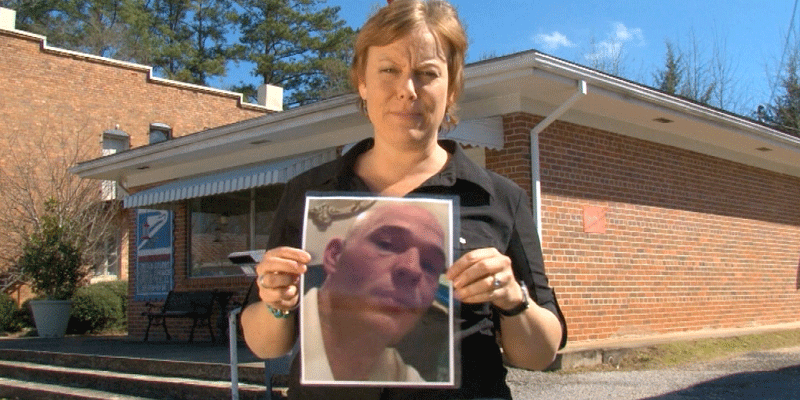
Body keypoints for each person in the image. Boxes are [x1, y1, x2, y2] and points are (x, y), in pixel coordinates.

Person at [241, 0, 567, 398]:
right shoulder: (309, 192)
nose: (407, 90)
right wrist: (276, 302)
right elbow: (266, 344)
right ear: (362, 81)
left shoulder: (501, 198)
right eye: (389, 70)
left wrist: (513, 300)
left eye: (427, 73)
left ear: (451, 87)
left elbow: (540, 354)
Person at [302, 202, 448, 383]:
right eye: (386, 245)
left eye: (429, 266)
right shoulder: (288, 334)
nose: (412, 269)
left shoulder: (405, 377)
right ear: (335, 256)